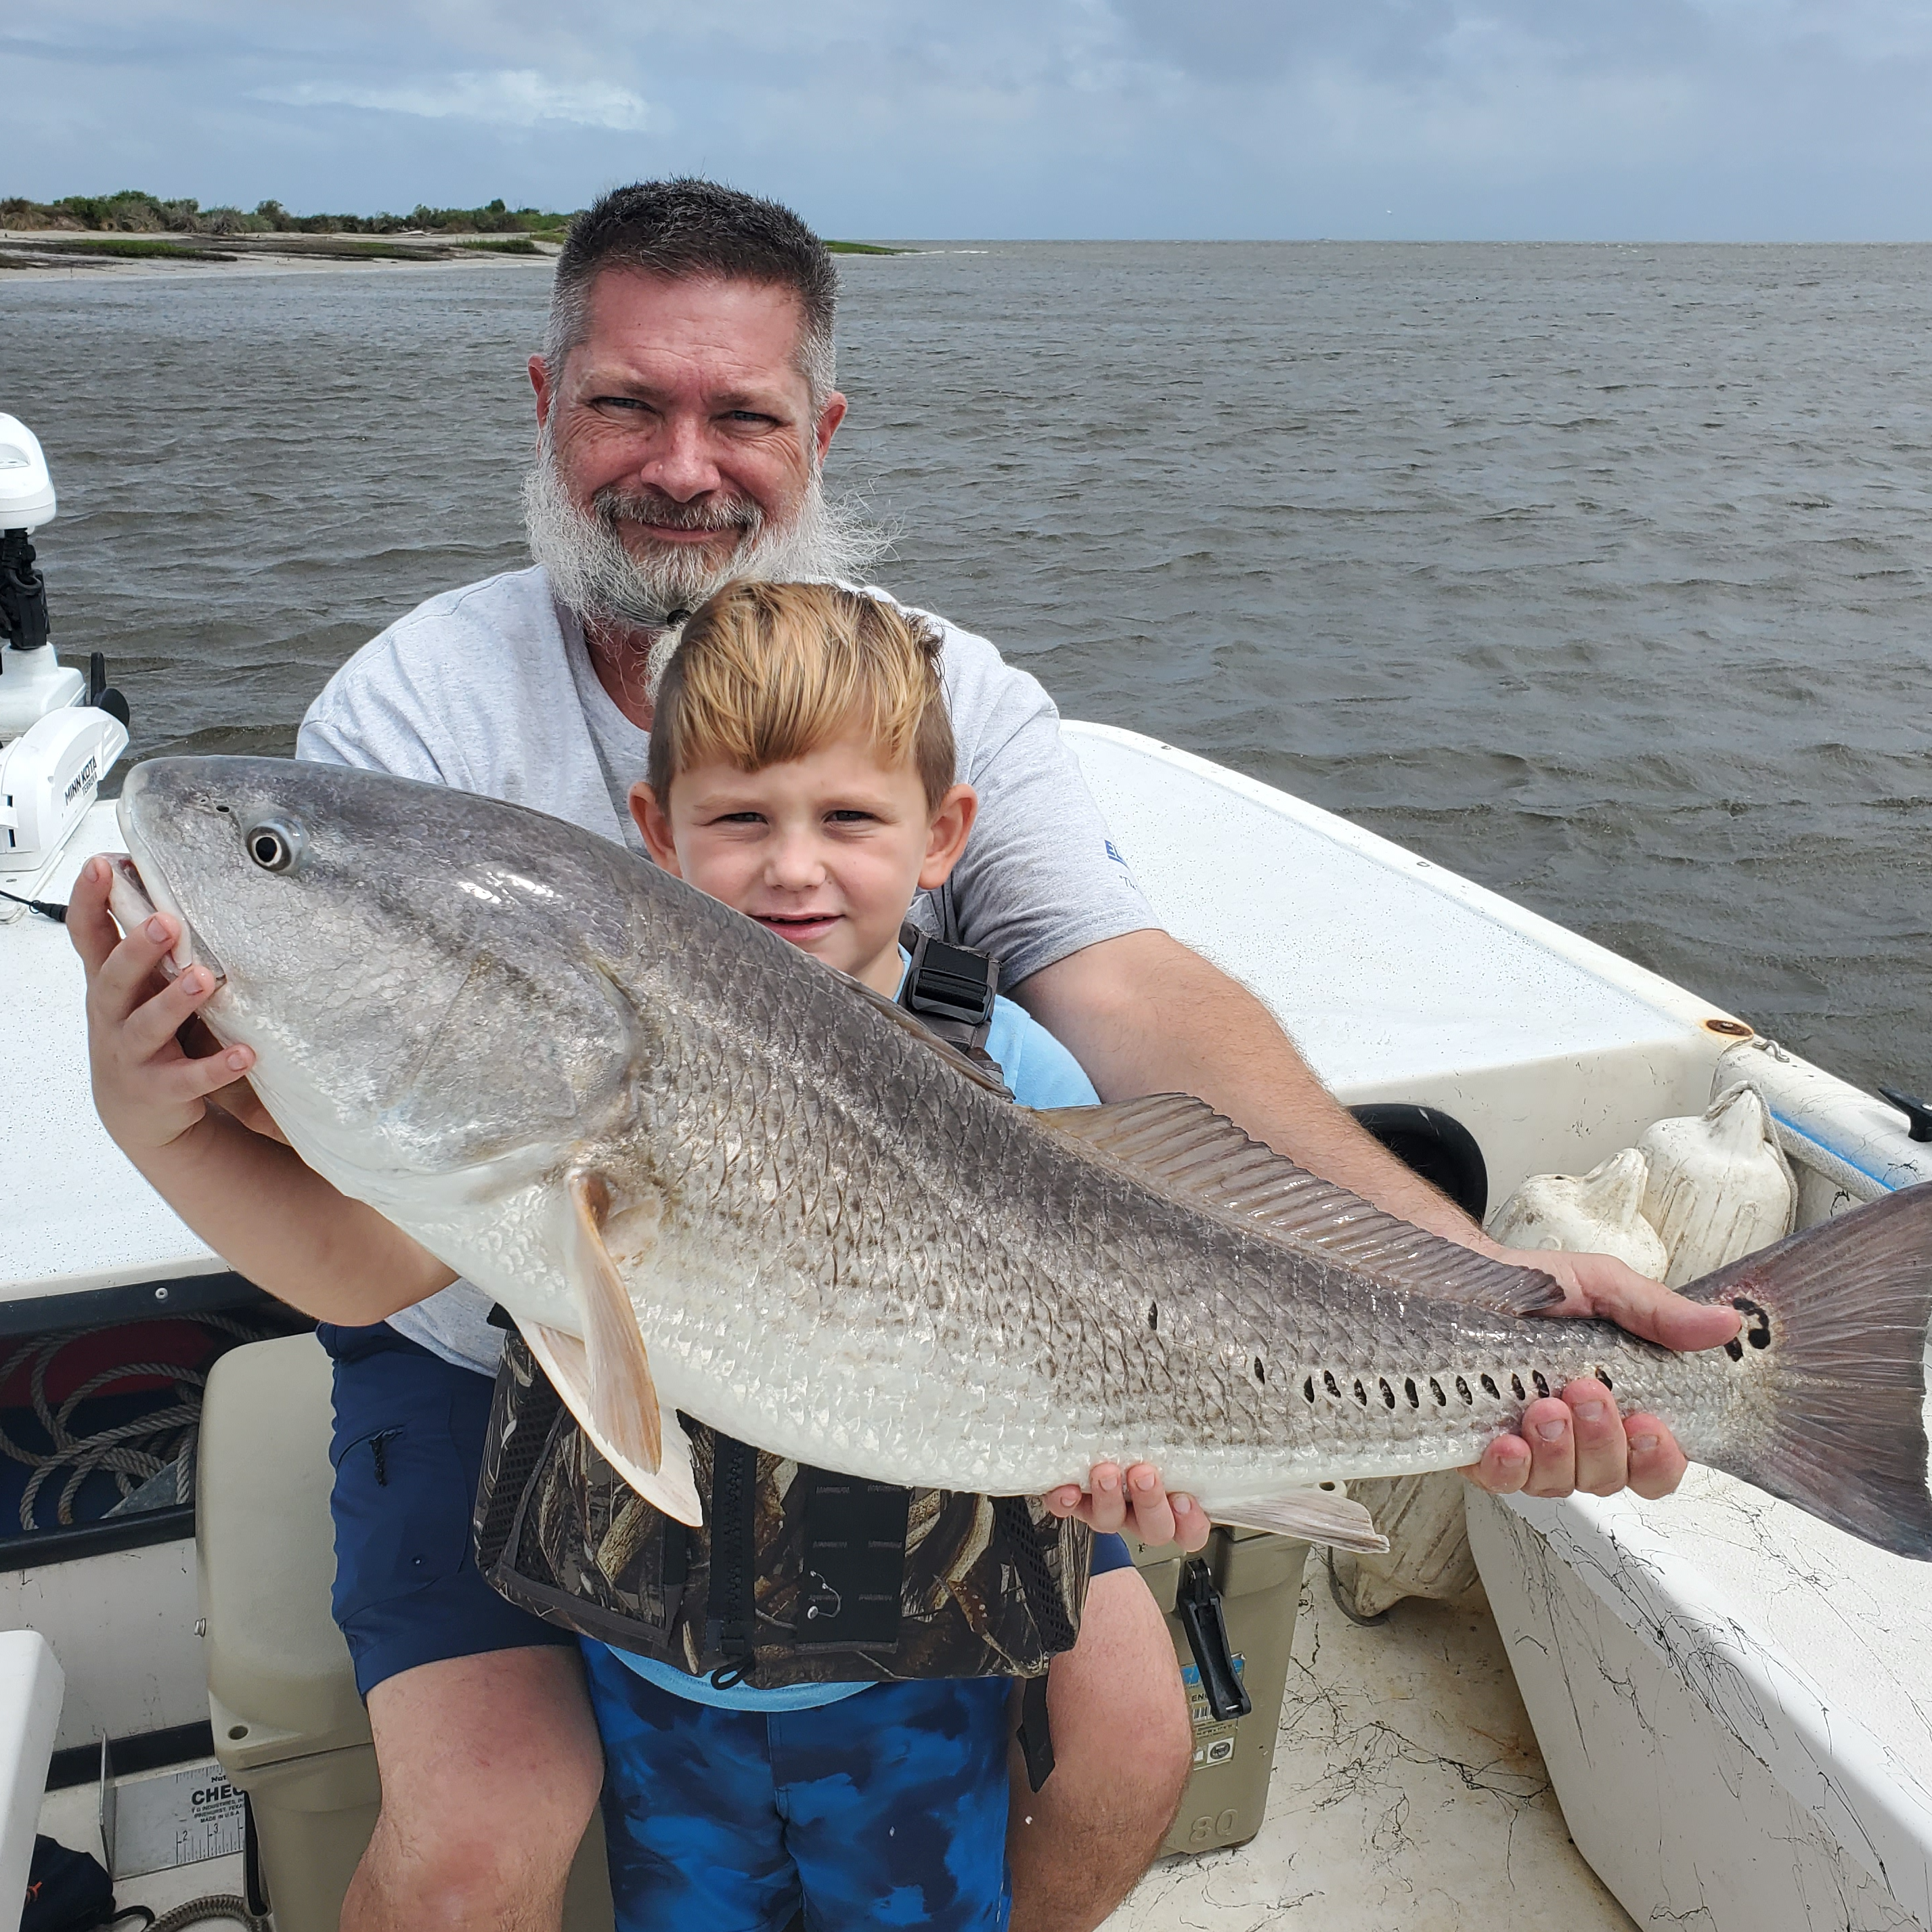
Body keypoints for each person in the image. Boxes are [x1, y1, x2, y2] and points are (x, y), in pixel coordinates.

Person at [69, 177, 1737, 1932]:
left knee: (1129, 1746)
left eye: (741, 413)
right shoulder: (416, 710)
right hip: (483, 1335)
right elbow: (376, 1189)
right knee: (477, 1843)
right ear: (545, 399)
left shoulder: (942, 691)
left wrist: (1485, 1282)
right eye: (627, 401)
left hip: (947, 1326)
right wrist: (157, 1099)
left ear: (822, 427)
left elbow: (1129, 993)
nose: (682, 465)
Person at [583, 573, 1141, 1930]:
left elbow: (1123, 1303)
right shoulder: (605, 1047)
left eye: (845, 818)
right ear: (657, 832)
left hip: (916, 1675)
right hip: (656, 1671)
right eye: (740, 819)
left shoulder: (1017, 1068)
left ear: (939, 835)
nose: (792, 866)